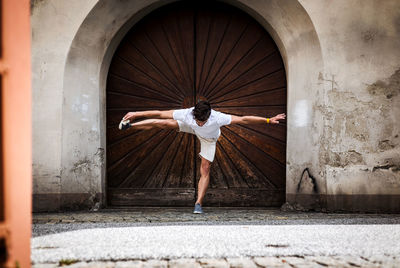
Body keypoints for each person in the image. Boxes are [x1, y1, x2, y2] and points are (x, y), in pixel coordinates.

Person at [120, 101, 286, 214]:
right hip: (189, 128)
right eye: (198, 120)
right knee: (163, 122)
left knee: (205, 168)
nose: (200, 122)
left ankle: (198, 203)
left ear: (209, 115)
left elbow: (243, 119)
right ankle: (130, 126)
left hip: (209, 138)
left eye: (202, 121)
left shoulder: (218, 117)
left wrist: (268, 120)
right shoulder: (188, 114)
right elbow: (160, 113)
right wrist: (136, 113)